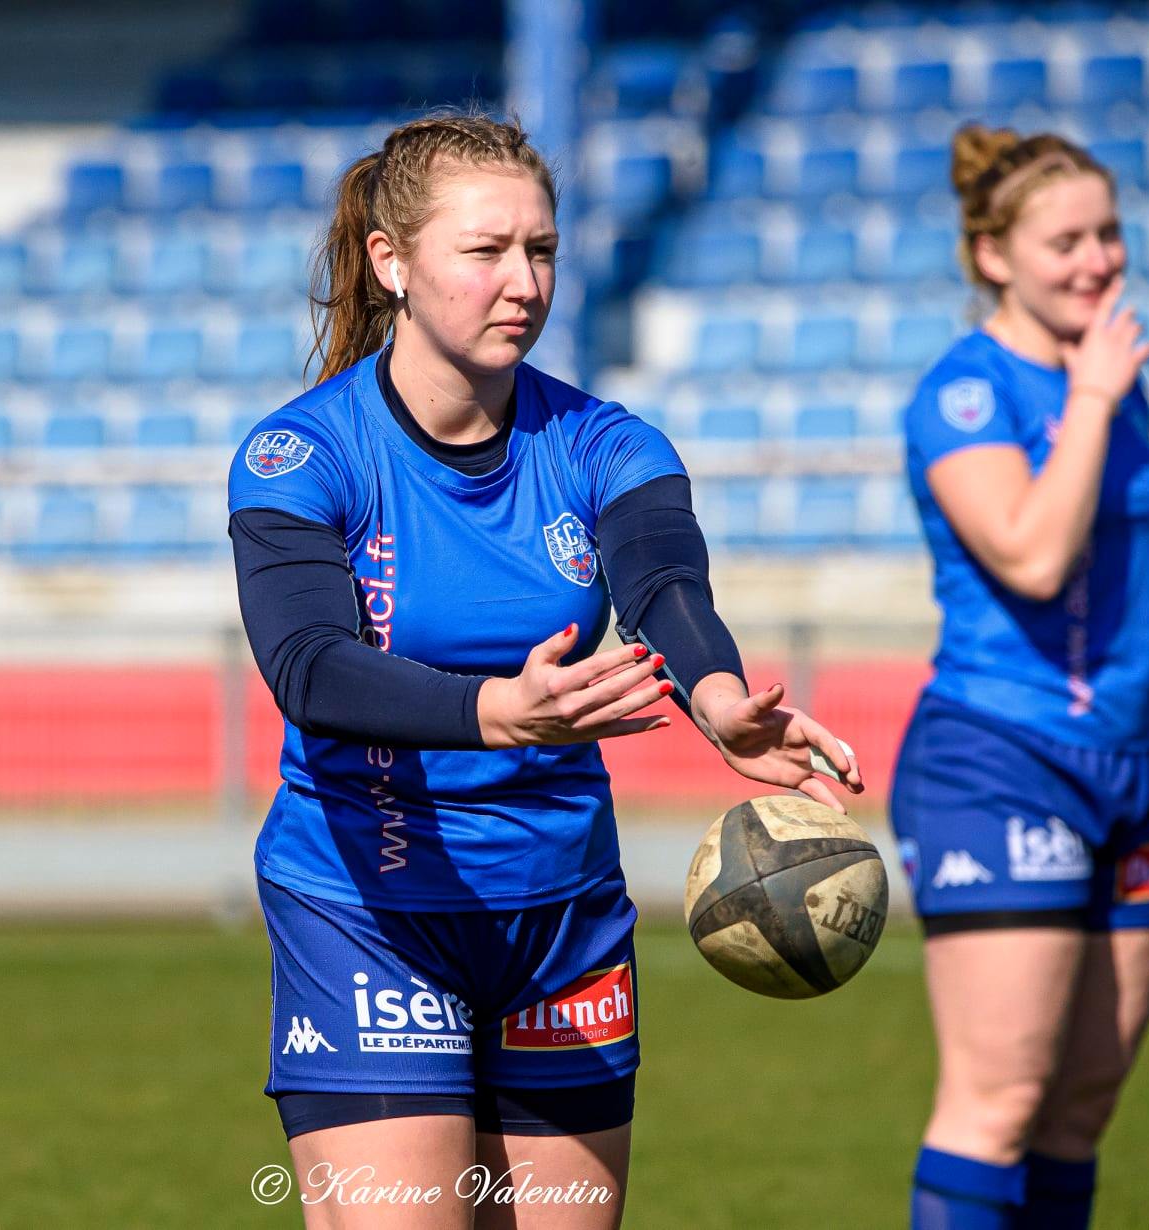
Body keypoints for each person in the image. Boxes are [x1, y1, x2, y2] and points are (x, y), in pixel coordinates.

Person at [227, 111, 863, 1229]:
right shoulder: (303, 454)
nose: (523, 282)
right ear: (392, 262)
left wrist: (721, 701)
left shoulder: (608, 443)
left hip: (563, 918)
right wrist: (498, 713)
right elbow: (311, 668)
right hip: (369, 911)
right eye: (485, 250)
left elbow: (665, 585)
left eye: (542, 250)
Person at [891, 124, 1149, 1230]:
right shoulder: (965, 393)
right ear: (993, 256)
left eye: (1110, 234)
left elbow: (1137, 595)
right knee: (997, 1105)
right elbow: (1035, 559)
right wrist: (1088, 399)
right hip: (1000, 763)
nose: (1100, 261)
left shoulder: (1116, 385)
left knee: (1080, 1110)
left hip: (1130, 773)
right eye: (1067, 242)